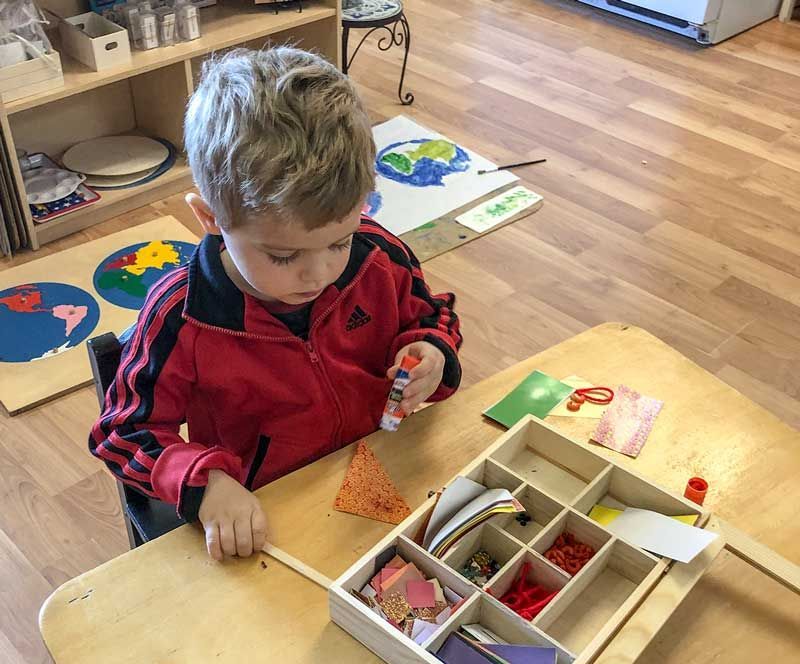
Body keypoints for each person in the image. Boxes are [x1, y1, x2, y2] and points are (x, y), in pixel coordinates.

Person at [89, 47, 462, 561]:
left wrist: (431, 353)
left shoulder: (378, 253)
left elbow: (432, 315)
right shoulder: (181, 314)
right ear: (211, 218)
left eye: (339, 241)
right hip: (267, 513)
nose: (319, 274)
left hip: (384, 468)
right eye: (284, 255)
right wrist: (206, 483)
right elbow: (123, 433)